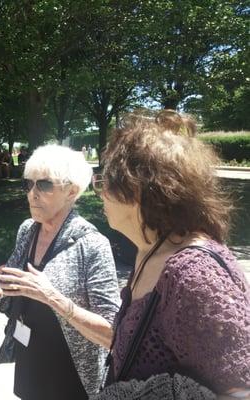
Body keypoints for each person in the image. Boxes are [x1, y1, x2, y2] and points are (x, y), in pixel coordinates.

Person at [87, 110, 249, 397]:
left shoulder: (193, 275)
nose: (100, 193)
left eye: (105, 181)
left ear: (134, 188)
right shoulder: (149, 250)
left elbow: (240, 391)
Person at [0, 144, 120, 399]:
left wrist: (53, 298)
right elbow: (14, 283)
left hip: (71, 372)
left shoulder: (92, 244)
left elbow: (111, 332)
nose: (32, 194)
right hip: (30, 356)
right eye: (28, 185)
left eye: (43, 185)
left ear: (72, 191)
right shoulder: (28, 230)